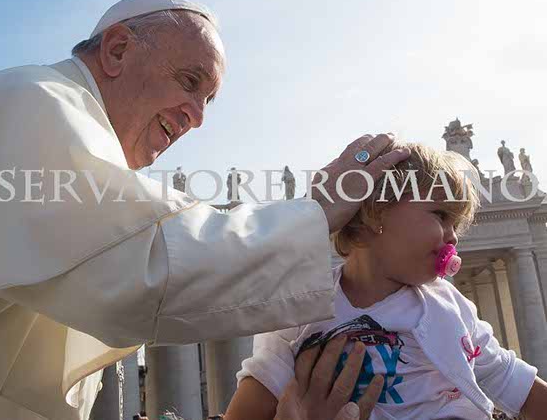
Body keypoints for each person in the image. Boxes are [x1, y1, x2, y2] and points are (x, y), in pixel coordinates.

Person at [0, 0, 408, 420]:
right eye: (189, 81)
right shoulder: (34, 102)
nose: (198, 117)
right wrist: (315, 213)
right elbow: (142, 265)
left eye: (208, 100)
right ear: (117, 50)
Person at [227, 142, 547, 420]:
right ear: (375, 213)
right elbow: (253, 400)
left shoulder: (452, 306)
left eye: (456, 225)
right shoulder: (300, 309)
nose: (452, 237)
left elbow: (512, 380)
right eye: (440, 215)